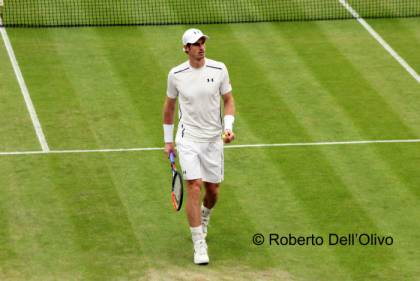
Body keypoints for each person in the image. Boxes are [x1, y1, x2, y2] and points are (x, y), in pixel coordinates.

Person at [162, 28, 236, 265]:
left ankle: (204, 216)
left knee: (212, 191)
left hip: (213, 140)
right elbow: (169, 108)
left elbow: (229, 100)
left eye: (203, 42)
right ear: (186, 49)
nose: (201, 47)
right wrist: (168, 140)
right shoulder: (176, 75)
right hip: (188, 139)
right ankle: (198, 244)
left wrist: (228, 126)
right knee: (194, 186)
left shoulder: (219, 69)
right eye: (195, 44)